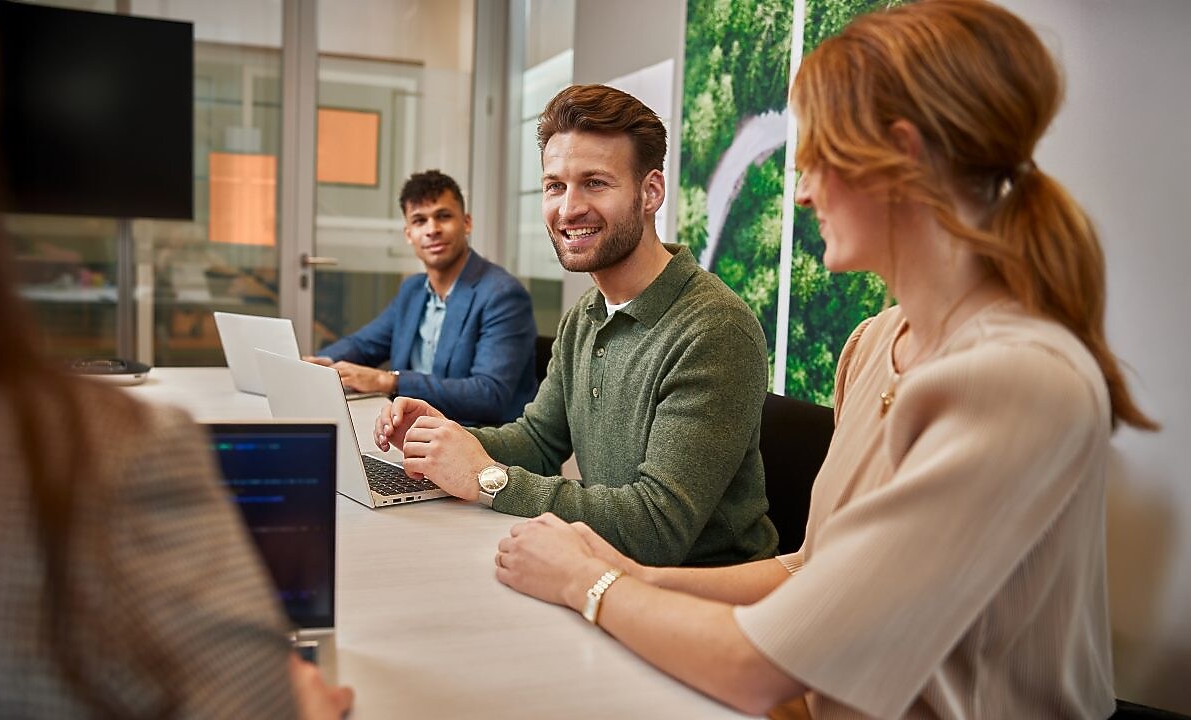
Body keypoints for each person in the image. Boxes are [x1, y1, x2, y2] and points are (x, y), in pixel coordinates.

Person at [492, 1, 1159, 717]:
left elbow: (761, 668)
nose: (803, 191)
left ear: (902, 159)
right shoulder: (873, 345)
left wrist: (589, 586)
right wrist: (625, 572)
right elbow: (811, 571)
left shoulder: (1017, 379)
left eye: (818, 163)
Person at [0, 3, 352, 717]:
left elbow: (488, 389)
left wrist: (391, 379)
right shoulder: (105, 459)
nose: (427, 233)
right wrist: (342, 361)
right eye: (416, 221)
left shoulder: (490, 295)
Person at [374, 85, 777, 567]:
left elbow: (656, 527)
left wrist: (487, 478)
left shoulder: (714, 330)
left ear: (650, 193)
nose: (568, 209)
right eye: (554, 186)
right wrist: (447, 439)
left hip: (699, 595)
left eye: (596, 183)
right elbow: (540, 443)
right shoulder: (586, 313)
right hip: (603, 569)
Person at [306, 170, 537, 425]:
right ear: (408, 234)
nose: (432, 230)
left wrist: (389, 380)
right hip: (413, 432)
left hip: (479, 444)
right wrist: (320, 365)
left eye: (443, 216)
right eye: (419, 221)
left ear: (467, 223)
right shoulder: (413, 290)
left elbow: (489, 395)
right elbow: (363, 344)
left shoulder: (502, 295)